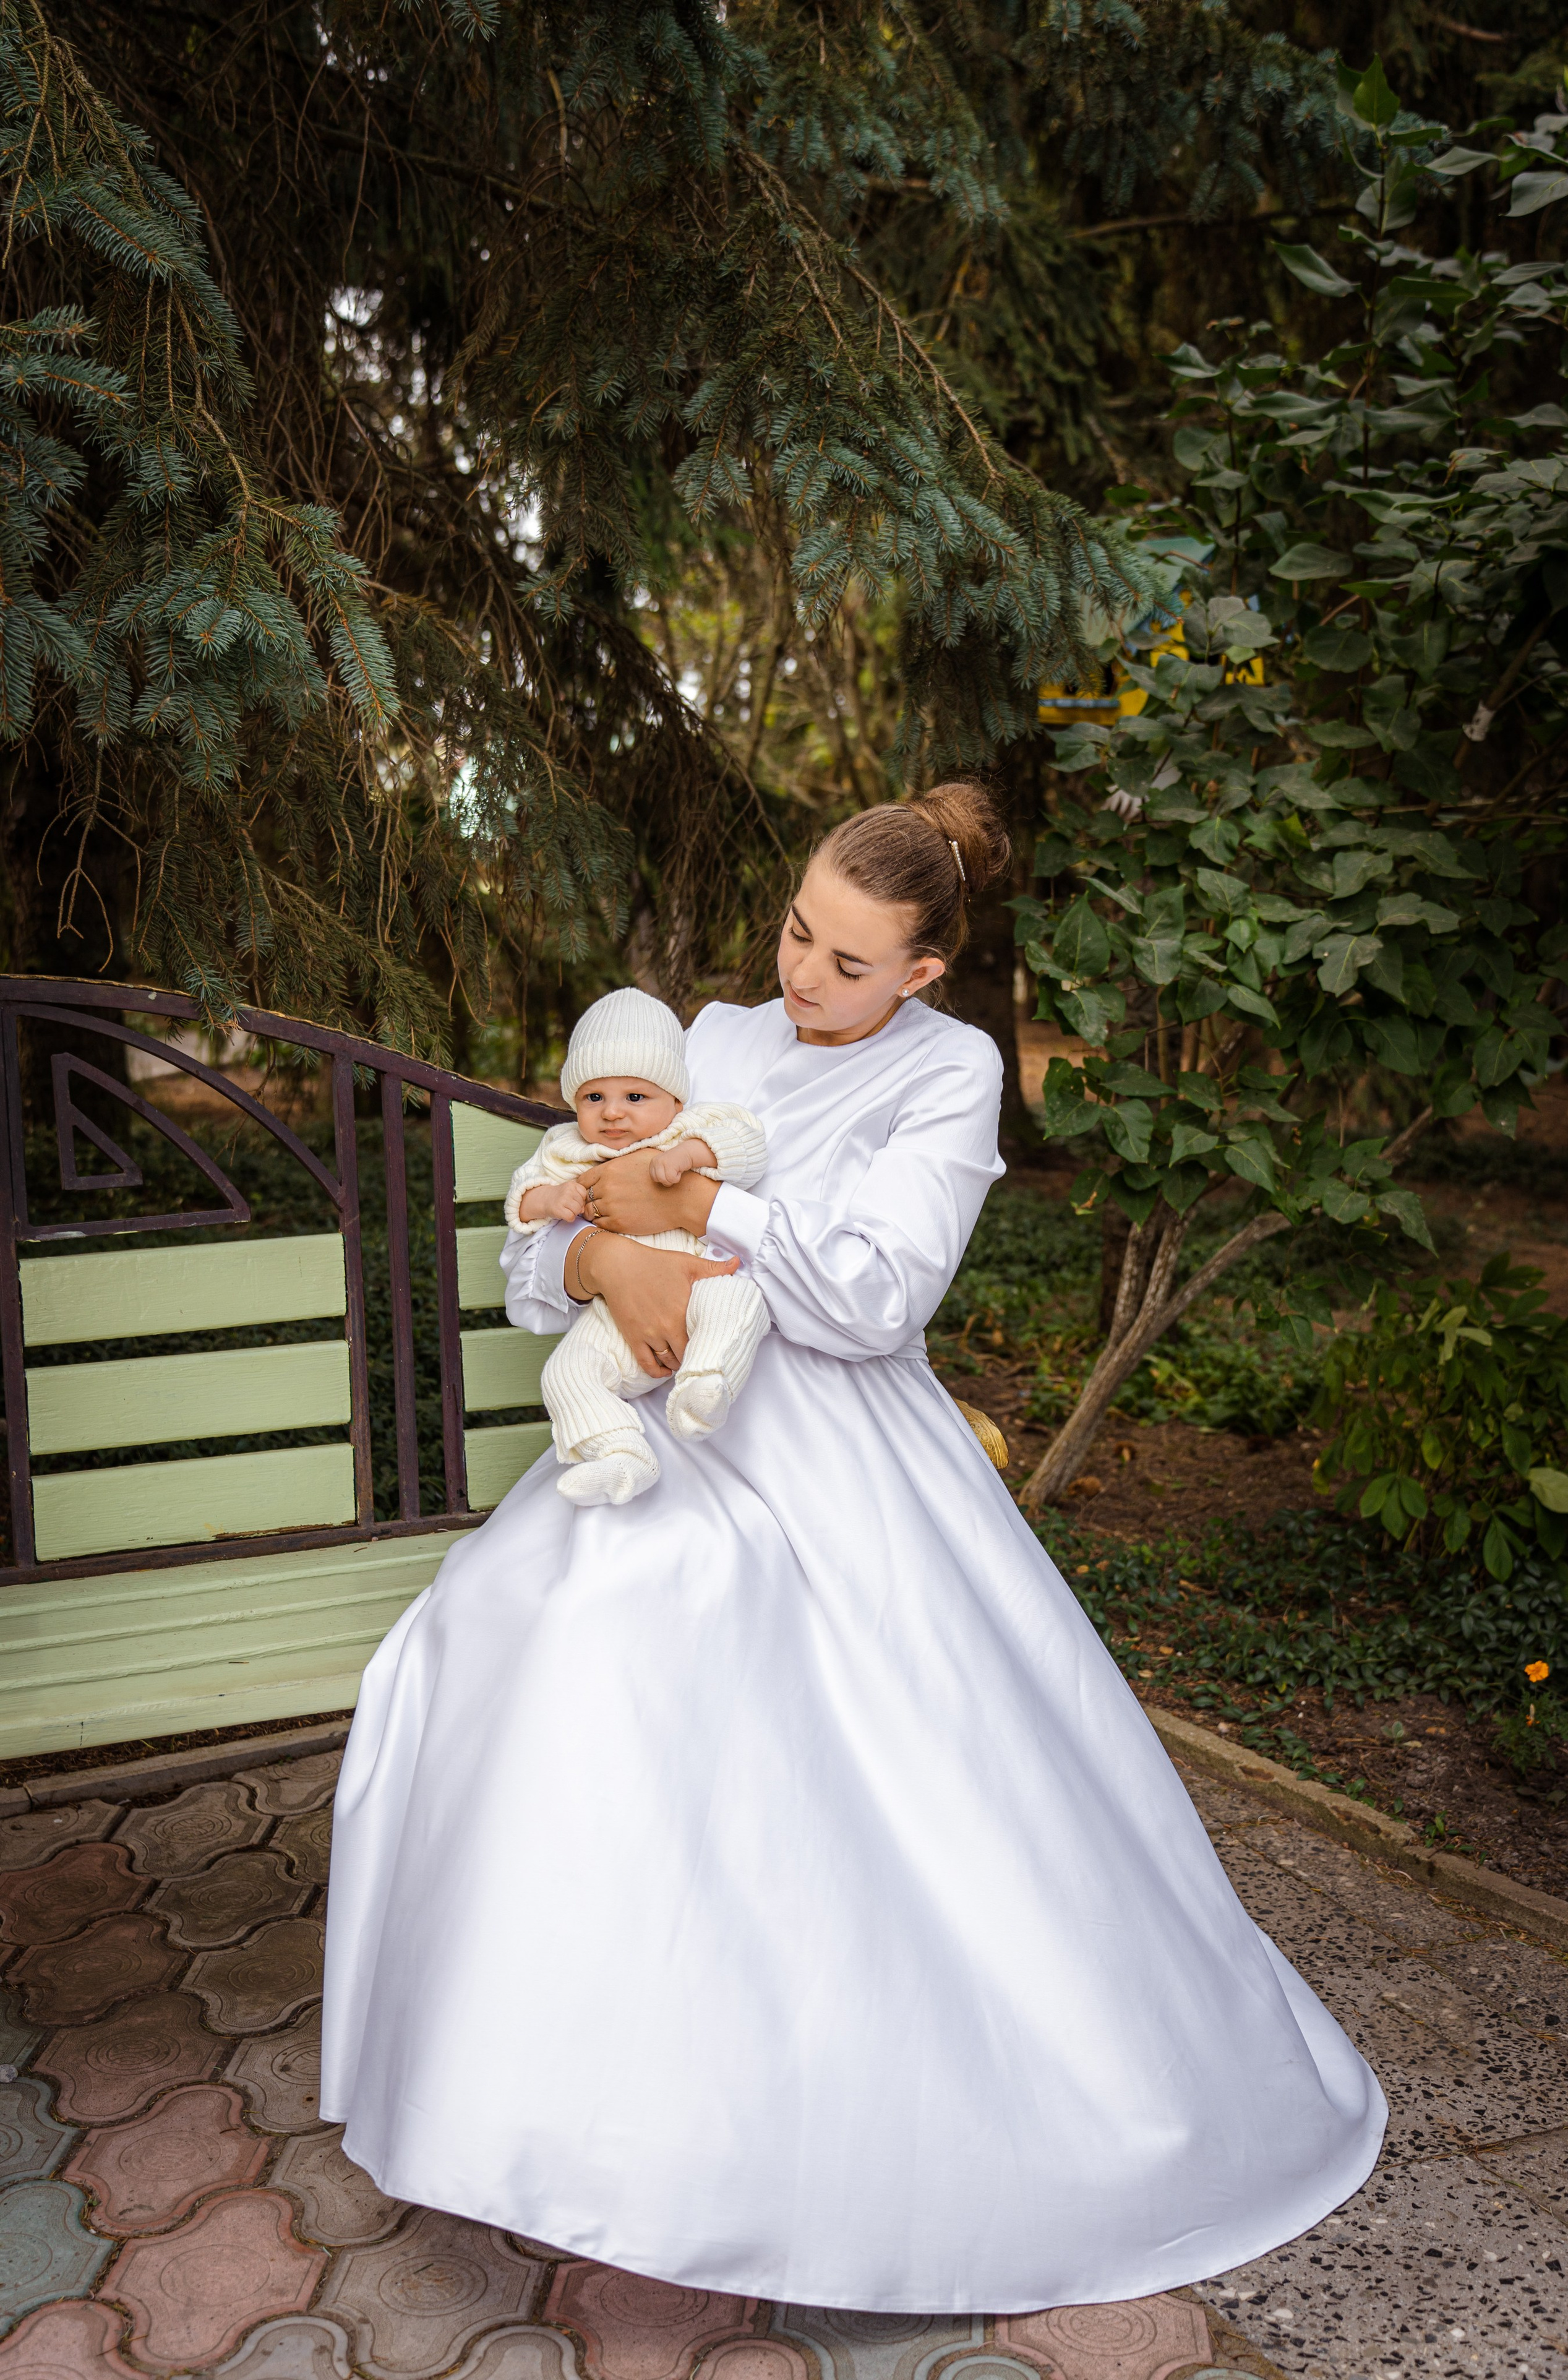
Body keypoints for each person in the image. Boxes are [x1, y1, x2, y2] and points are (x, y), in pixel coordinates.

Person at [320, 781, 1386, 2316]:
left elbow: (877, 1298)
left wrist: (707, 1193)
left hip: (837, 1456)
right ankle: (561, 2103)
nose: (801, 977)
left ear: (922, 974)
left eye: (845, 961)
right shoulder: (717, 1033)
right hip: (660, 1434)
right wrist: (602, 1244)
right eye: (794, 933)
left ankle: (817, 2135)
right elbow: (545, 1241)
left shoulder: (950, 1075)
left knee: (798, 1709)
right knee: (502, 1638)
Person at [503, 986, 770, 1505]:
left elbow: (749, 1144)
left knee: (739, 1299)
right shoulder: (567, 1149)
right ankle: (620, 1452)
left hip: (699, 1282)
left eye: (635, 1097)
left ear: (675, 1100)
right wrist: (551, 1199)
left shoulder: (688, 1129)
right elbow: (523, 1194)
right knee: (566, 1371)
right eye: (594, 1097)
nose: (613, 1114)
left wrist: (693, 1154)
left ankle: (706, 1382)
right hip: (615, 1320)